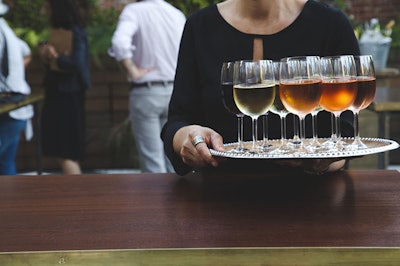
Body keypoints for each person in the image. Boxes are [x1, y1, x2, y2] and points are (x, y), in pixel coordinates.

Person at [161, 0, 360, 176]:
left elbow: (345, 130)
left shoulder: (330, 24)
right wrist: (188, 139)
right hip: (219, 197)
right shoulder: (200, 26)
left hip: (315, 199)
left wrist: (322, 163)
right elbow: (177, 122)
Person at [108, 0, 186, 173]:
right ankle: (178, 200)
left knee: (152, 161)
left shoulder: (134, 11)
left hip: (147, 93)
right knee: (173, 158)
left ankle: (158, 201)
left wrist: (132, 71)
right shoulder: (175, 13)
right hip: (175, 93)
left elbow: (119, 43)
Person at [38, 0, 90, 175]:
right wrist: (48, 57)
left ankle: (77, 197)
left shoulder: (75, 33)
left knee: (66, 151)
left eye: (48, 6)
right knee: (62, 150)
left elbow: (76, 65)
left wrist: (56, 56)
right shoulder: (60, 33)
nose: (45, 10)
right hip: (59, 95)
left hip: (67, 98)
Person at [0, 1, 34, 175]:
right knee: (6, 167)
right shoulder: (5, 29)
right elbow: (26, 52)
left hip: (9, 112)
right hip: (17, 108)